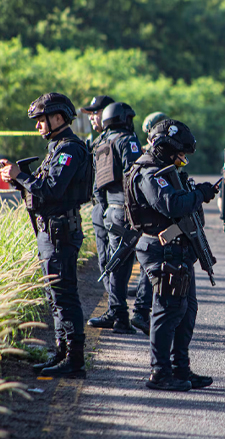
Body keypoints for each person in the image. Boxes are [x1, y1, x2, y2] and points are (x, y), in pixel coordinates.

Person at [0, 92, 92, 379]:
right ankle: (62, 352)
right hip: (50, 231)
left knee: (64, 296)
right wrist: (18, 179)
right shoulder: (57, 147)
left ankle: (74, 360)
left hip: (60, 232)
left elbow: (51, 188)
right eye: (37, 120)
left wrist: (20, 175)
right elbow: (39, 187)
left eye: (41, 119)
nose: (38, 125)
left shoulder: (69, 150)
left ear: (59, 118)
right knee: (54, 296)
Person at [124, 119, 217, 391]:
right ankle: (160, 373)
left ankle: (180, 369)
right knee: (167, 312)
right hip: (161, 250)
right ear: (165, 147)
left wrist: (199, 192)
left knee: (186, 312)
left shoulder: (165, 169)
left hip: (177, 251)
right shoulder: (150, 172)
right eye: (180, 154)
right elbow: (172, 204)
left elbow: (181, 198)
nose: (182, 159)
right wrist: (200, 194)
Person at [81, 97, 152, 334]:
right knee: (133, 260)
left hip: (107, 210)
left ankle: (117, 312)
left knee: (114, 261)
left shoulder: (102, 142)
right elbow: (134, 176)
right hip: (124, 209)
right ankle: (127, 316)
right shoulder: (126, 140)